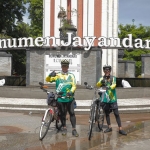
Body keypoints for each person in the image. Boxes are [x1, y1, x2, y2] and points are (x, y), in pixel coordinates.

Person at [45, 59, 79, 137]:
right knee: (63, 114)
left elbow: (74, 85)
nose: (65, 67)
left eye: (66, 66)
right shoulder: (57, 75)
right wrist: (50, 75)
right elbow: (47, 80)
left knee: (72, 113)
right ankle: (64, 127)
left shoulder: (71, 75)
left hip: (69, 98)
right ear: (61, 66)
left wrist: (71, 91)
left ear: (68, 67)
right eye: (63, 66)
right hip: (60, 98)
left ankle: (74, 129)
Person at [96, 64, 127, 135]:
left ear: (110, 70)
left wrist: (109, 87)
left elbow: (114, 85)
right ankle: (109, 127)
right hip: (105, 99)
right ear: (104, 71)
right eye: (105, 70)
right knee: (107, 114)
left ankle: (120, 128)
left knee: (116, 114)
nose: (107, 71)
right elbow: (97, 85)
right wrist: (101, 82)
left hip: (112, 99)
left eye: (108, 70)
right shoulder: (102, 78)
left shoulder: (113, 78)